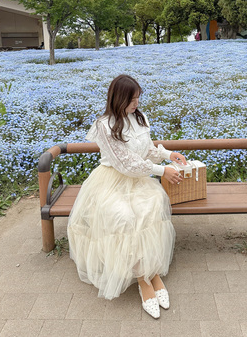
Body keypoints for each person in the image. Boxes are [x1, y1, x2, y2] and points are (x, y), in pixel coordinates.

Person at [67, 74, 187, 319]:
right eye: (132, 99)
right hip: (112, 181)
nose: (137, 103)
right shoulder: (105, 125)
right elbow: (125, 163)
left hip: (139, 180)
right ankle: (145, 280)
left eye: (138, 97)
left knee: (150, 209)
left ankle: (152, 273)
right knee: (124, 217)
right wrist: (162, 171)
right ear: (118, 98)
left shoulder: (138, 117)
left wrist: (168, 155)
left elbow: (147, 150)